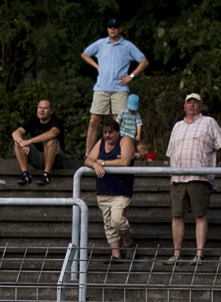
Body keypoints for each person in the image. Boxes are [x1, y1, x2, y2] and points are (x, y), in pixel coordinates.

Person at [164, 93, 221, 266]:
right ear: (184, 106)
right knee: (177, 216)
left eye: (195, 103)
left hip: (199, 176)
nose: (191, 105)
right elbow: (171, 152)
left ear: (201, 106)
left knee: (200, 215)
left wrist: (210, 164)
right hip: (178, 177)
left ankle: (199, 254)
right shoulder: (177, 126)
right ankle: (176, 253)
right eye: (188, 102)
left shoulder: (209, 122)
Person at [81, 17, 148, 156]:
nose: (112, 29)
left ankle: (117, 154)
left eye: (115, 27)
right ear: (107, 29)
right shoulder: (101, 43)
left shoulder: (128, 45)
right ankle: (88, 154)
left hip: (120, 89)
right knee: (94, 121)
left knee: (119, 124)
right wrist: (96, 66)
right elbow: (85, 54)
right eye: (110, 27)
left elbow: (144, 61)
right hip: (101, 87)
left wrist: (131, 76)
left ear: (120, 29)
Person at [84, 119, 136, 262]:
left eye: (110, 132)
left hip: (121, 190)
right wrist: (95, 165)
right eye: (105, 132)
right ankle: (116, 254)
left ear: (117, 132)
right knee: (108, 224)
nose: (107, 135)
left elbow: (125, 161)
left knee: (118, 220)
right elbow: (88, 160)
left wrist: (104, 163)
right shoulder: (101, 143)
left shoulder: (125, 141)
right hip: (103, 190)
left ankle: (128, 242)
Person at [12, 99, 64, 186]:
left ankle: (46, 174)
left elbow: (52, 134)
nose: (42, 110)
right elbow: (15, 133)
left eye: (45, 108)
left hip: (55, 159)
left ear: (51, 111)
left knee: (50, 140)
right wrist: (22, 143)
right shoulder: (33, 121)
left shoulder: (56, 121)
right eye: (40, 108)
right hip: (37, 157)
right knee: (17, 143)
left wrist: (29, 141)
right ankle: (25, 174)